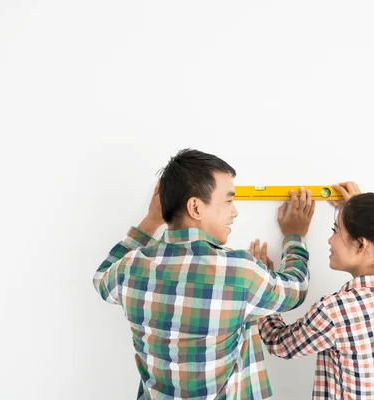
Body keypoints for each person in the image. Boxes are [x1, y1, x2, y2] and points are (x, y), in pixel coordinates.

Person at [93, 148, 316, 399]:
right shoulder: (238, 272)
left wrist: (151, 220)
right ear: (196, 207)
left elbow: (101, 279)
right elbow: (296, 288)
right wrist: (294, 237)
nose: (235, 211)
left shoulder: (130, 269)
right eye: (229, 200)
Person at [252, 182, 374, 399]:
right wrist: (371, 221)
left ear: (361, 245)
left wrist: (264, 286)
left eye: (335, 230)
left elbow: (279, 343)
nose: (330, 240)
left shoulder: (336, 311)